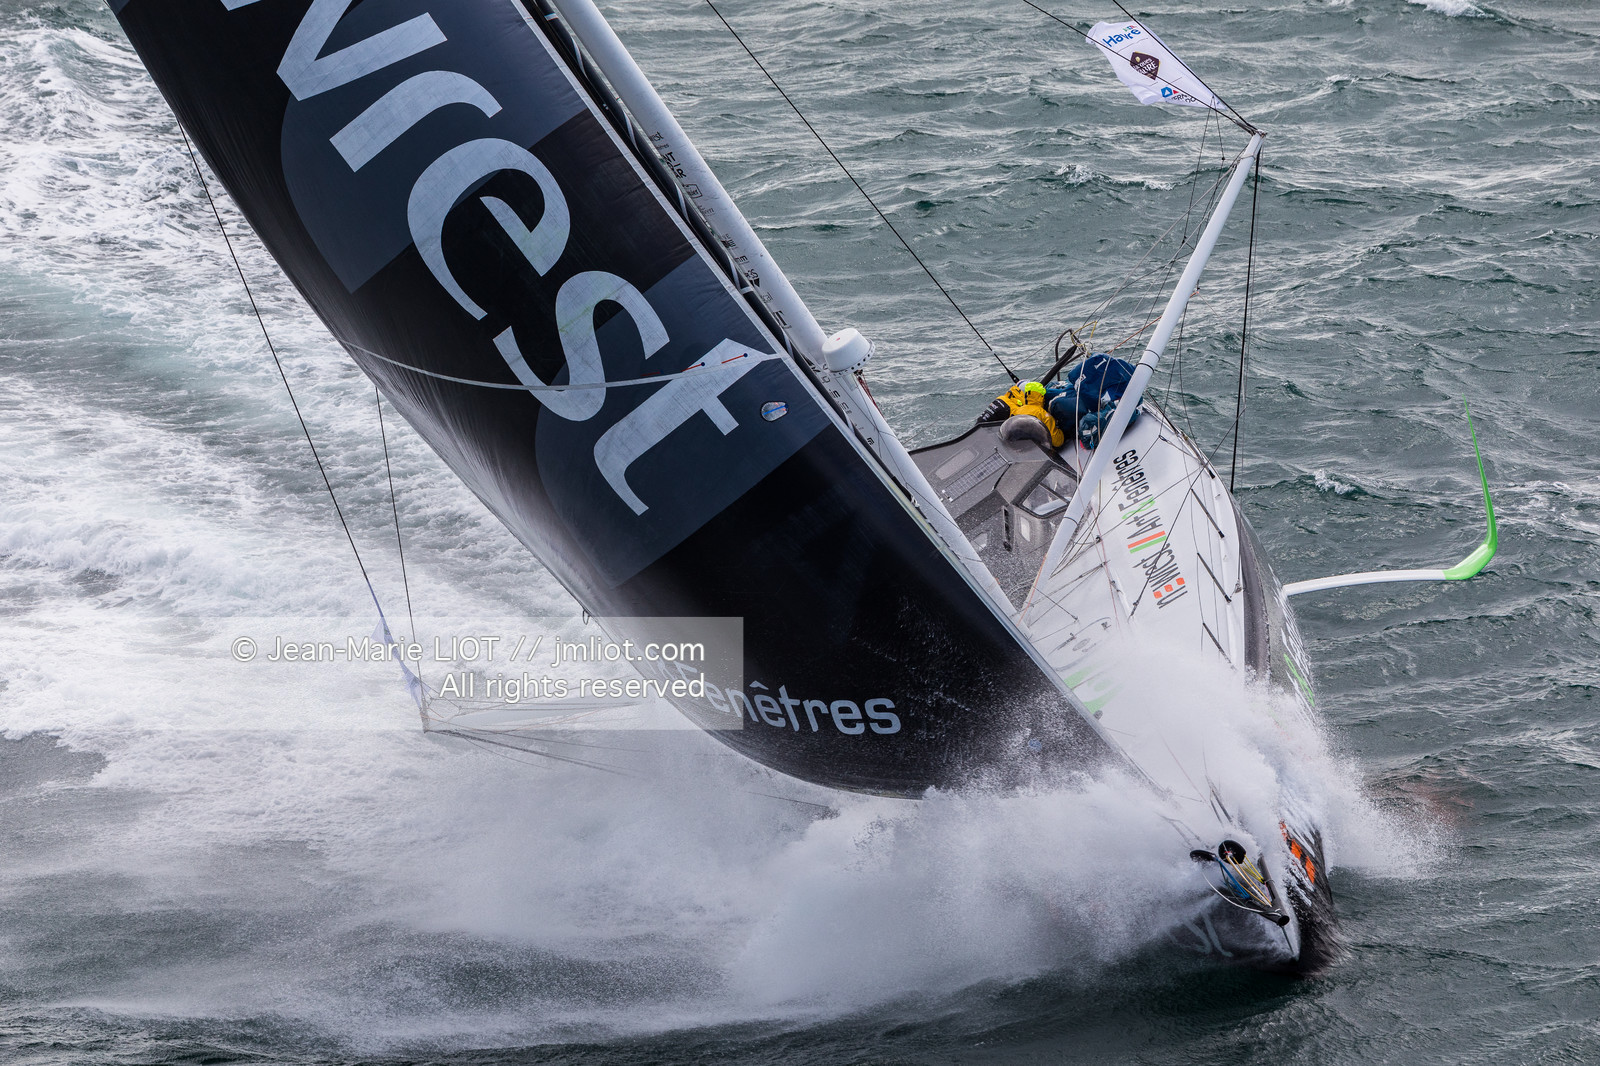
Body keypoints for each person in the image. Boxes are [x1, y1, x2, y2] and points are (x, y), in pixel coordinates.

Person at [975, 380, 1066, 447]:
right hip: (1038, 449)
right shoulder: (1043, 414)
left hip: (1012, 445)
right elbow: (1056, 441)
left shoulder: (1016, 410)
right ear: (1042, 397)